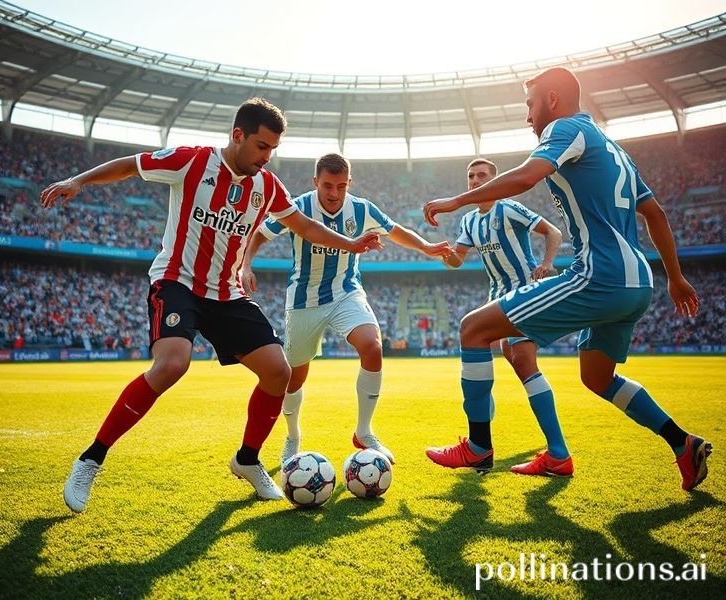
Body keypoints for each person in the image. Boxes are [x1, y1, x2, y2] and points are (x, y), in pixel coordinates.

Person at [41, 99, 382, 512]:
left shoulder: (268, 186)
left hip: (226, 292)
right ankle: (91, 459)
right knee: (171, 364)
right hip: (177, 281)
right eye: (260, 146)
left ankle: (247, 459)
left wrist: (350, 243)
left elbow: (305, 226)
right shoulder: (192, 161)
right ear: (237, 135)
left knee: (279, 371)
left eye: (272, 149)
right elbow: (132, 164)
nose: (266, 157)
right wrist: (79, 181)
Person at [423, 67, 711, 491]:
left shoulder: (564, 128)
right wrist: (676, 278)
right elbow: (656, 214)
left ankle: (479, 447)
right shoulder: (615, 149)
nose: (527, 116)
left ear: (552, 100)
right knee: (597, 377)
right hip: (637, 283)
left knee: (473, 328)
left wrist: (457, 200)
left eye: (529, 104)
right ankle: (681, 444)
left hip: (599, 275)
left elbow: (524, 177)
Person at [241, 153, 452, 466]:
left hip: (346, 293)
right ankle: (293, 436)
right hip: (304, 300)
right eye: (327, 185)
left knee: (372, 346)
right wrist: (245, 265)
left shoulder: (362, 209)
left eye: (341, 186)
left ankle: (364, 431)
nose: (334, 193)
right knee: (295, 376)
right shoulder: (298, 205)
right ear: (316, 182)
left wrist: (426, 247)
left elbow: (394, 230)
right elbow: (260, 233)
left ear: (349, 183)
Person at [442, 157, 571, 476]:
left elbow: (552, 231)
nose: (474, 180)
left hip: (522, 292)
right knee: (507, 359)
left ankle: (555, 451)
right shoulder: (469, 221)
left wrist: (548, 262)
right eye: (470, 176)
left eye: (482, 175)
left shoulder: (509, 208)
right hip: (496, 297)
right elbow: (457, 261)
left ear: (495, 180)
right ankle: (481, 439)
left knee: (524, 361)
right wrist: (444, 255)